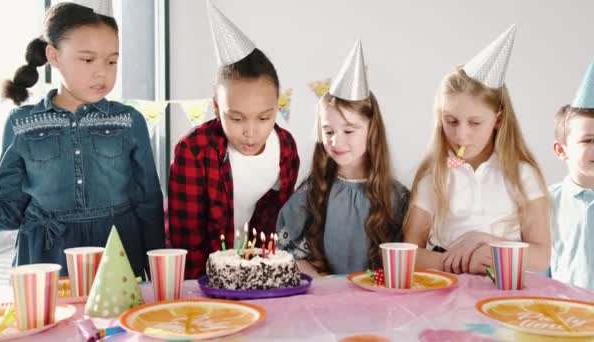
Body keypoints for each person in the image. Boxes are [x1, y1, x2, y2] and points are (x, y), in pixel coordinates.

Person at [0, 1, 164, 276]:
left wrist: (157, 270)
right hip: (45, 260)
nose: (102, 72)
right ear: (54, 56)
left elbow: (149, 203)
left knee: (117, 320)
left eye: (112, 61)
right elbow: (11, 210)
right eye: (88, 59)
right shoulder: (20, 124)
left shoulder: (129, 120)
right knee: (50, 320)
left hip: (117, 253)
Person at [403, 25, 550, 274]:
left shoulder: (522, 174)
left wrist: (488, 243)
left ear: (499, 119)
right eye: (451, 121)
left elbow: (541, 257)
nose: (461, 135)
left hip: (507, 293)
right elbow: (408, 254)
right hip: (447, 290)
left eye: (475, 123)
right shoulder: (434, 176)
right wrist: (455, 263)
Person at [168, 2, 299, 279]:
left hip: (256, 270)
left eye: (264, 118)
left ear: (277, 106)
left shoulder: (285, 148)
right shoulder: (193, 151)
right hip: (204, 274)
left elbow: (274, 222)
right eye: (237, 119)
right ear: (217, 108)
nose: (251, 132)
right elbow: (186, 240)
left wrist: (258, 274)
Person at [277, 41, 408, 277]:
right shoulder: (311, 194)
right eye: (328, 132)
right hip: (325, 303)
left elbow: (406, 261)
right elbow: (288, 254)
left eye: (349, 131)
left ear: (372, 130)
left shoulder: (395, 197)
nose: (336, 142)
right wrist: (320, 283)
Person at [549, 60, 594, 289]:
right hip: (565, 313)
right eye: (588, 140)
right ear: (561, 149)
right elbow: (538, 272)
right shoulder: (546, 203)